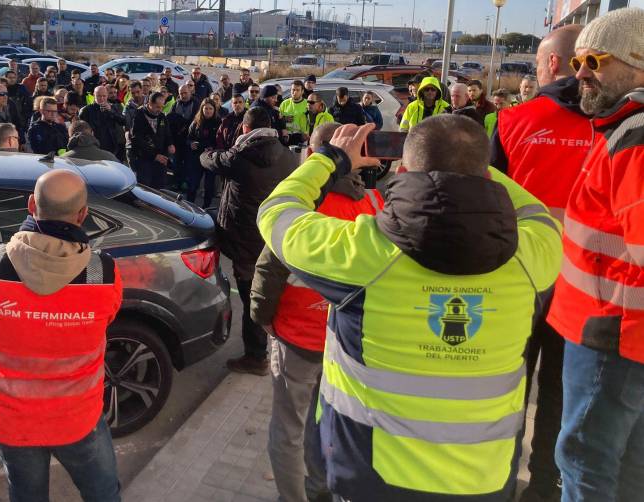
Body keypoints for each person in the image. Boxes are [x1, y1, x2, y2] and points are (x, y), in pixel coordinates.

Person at [257, 114, 562, 501]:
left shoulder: (364, 254)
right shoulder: (536, 255)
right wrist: (470, 164)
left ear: (403, 168)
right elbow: (535, 210)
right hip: (482, 481)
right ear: (485, 175)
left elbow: (277, 211)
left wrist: (330, 159)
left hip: (369, 478)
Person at [251, 121, 385, 502]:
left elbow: (267, 271)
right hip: (346, 344)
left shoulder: (299, 209)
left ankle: (293, 496)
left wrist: (265, 322)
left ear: (313, 157)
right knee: (326, 420)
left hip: (297, 339)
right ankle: (320, 488)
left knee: (288, 430)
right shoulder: (376, 204)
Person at [0, 169, 122, 502]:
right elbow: (107, 318)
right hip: (78, 418)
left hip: (13, 419)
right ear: (82, 214)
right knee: (103, 495)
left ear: (30, 205)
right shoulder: (103, 273)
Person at [546, 8, 644, 502]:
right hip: (615, 337)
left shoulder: (636, 140)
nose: (579, 71)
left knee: (585, 460)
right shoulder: (620, 129)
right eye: (578, 59)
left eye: (595, 60)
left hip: (613, 338)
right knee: (625, 467)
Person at [487, 23, 587, 502]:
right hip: (584, 288)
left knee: (509, 384)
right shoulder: (613, 126)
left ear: (550, 64)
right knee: (560, 394)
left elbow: (489, 206)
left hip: (519, 281)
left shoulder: (511, 122)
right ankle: (545, 484)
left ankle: (501, 477)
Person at [200, 107, 299, 375]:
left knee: (250, 296)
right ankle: (270, 342)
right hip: (273, 236)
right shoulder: (288, 157)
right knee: (265, 289)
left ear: (245, 129)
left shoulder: (241, 157)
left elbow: (210, 161)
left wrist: (207, 151)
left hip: (245, 239)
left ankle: (256, 357)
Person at [130, 92, 174, 188]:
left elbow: (167, 133)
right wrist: (154, 155)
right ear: (150, 103)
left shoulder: (162, 116)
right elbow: (137, 139)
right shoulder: (138, 115)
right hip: (144, 159)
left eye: (162, 106)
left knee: (160, 188)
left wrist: (170, 144)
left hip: (161, 159)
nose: (160, 109)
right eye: (157, 107)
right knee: (145, 188)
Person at [186, 99, 221, 207]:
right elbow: (188, 138)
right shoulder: (196, 121)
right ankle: (188, 205)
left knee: (208, 186)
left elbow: (220, 141)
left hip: (210, 157)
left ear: (214, 110)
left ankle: (206, 208)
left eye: (211, 108)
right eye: (206, 108)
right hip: (196, 157)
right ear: (202, 109)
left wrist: (213, 147)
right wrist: (191, 143)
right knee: (193, 184)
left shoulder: (219, 122)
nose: (208, 111)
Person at [79, 85, 126, 162]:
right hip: (94, 146)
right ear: (94, 96)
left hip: (112, 145)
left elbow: (123, 121)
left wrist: (111, 111)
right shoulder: (86, 110)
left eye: (104, 96)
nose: (102, 98)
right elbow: (81, 129)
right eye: (99, 96)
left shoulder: (113, 107)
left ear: (107, 96)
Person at [168, 84, 200, 189]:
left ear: (190, 92)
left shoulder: (196, 104)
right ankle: (176, 183)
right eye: (181, 93)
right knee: (176, 163)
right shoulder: (175, 104)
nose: (183, 95)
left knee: (188, 164)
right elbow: (170, 120)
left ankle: (186, 184)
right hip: (177, 139)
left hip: (190, 139)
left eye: (185, 93)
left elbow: (196, 121)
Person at [279, 80, 310, 145]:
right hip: (287, 138)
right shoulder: (284, 103)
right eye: (293, 90)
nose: (294, 92)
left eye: (297, 90)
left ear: (302, 91)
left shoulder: (307, 104)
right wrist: (284, 119)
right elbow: (278, 119)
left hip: (303, 138)